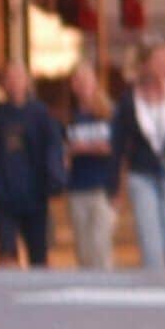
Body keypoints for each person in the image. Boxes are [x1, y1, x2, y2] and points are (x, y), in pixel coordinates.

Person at [0, 62, 68, 271]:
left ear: (27, 82)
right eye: (9, 78)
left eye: (18, 77)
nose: (14, 83)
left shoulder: (41, 114)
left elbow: (54, 149)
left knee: (38, 256)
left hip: (35, 195)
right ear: (2, 84)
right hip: (4, 195)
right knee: (6, 253)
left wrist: (55, 179)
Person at [118, 43, 165, 272]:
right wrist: (115, 185)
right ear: (147, 64)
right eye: (158, 59)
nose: (163, 65)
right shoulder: (130, 99)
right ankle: (156, 292)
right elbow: (119, 142)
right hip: (141, 173)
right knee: (151, 242)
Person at [64, 59, 120, 271]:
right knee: (83, 249)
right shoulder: (70, 116)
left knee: (100, 246)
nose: (81, 85)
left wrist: (83, 148)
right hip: (78, 187)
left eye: (85, 80)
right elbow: (65, 149)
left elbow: (114, 148)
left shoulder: (109, 114)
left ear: (94, 82)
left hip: (102, 188)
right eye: (76, 81)